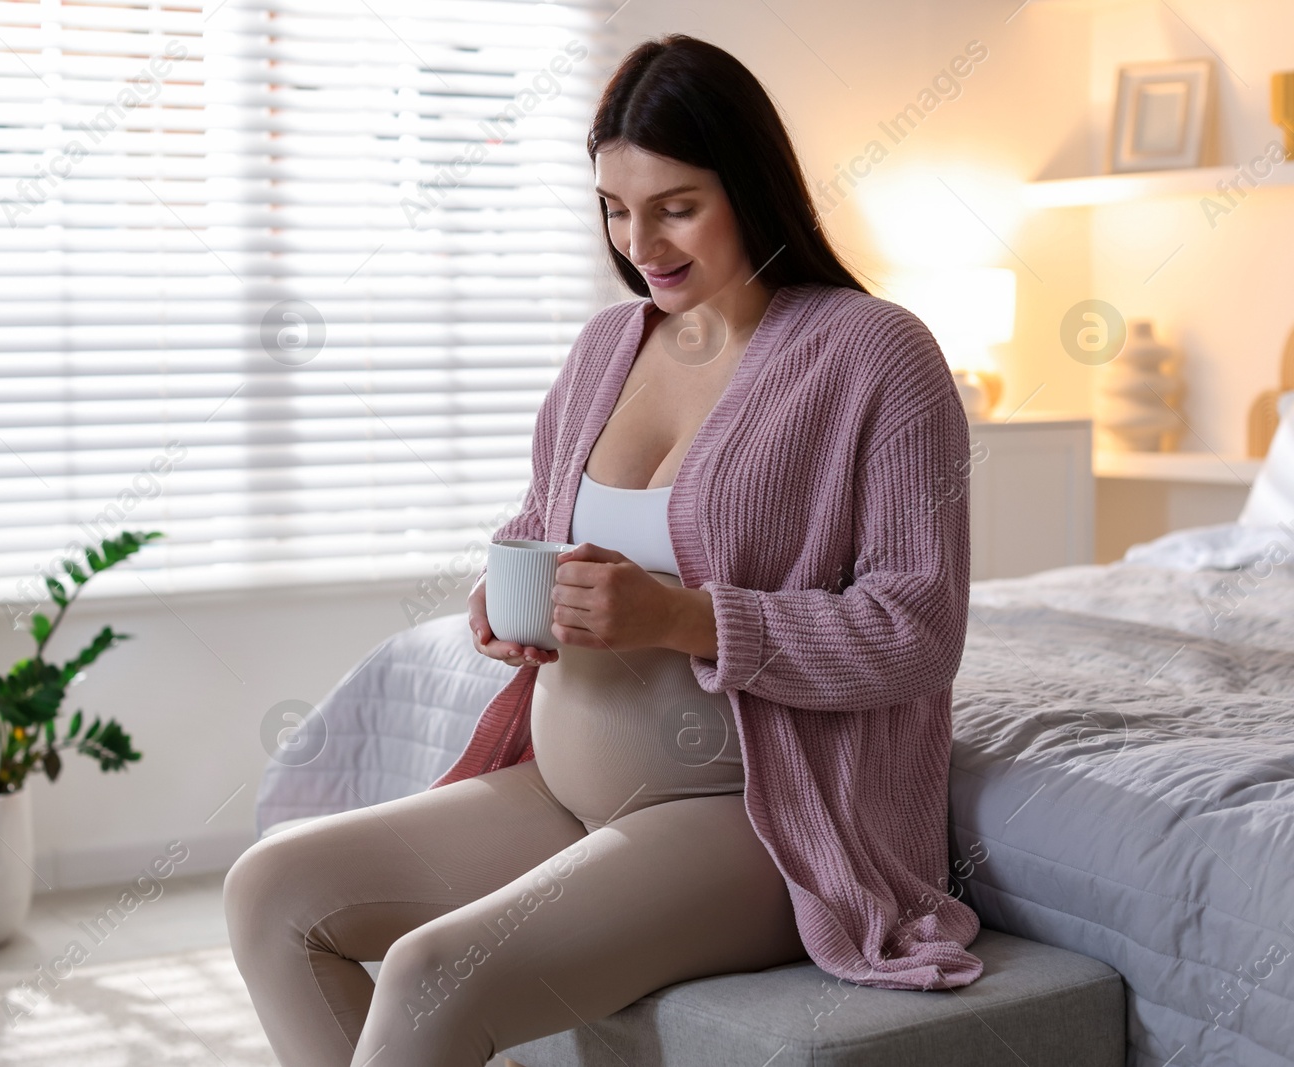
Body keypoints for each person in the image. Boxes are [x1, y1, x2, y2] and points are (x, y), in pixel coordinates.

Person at [224, 32, 982, 1067]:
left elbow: (916, 630)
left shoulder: (874, 353)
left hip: (757, 815)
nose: (642, 243)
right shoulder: (604, 349)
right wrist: (503, 604)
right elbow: (540, 525)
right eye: (615, 209)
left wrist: (681, 615)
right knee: (269, 890)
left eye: (675, 206)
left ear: (755, 187)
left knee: (428, 970)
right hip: (568, 789)